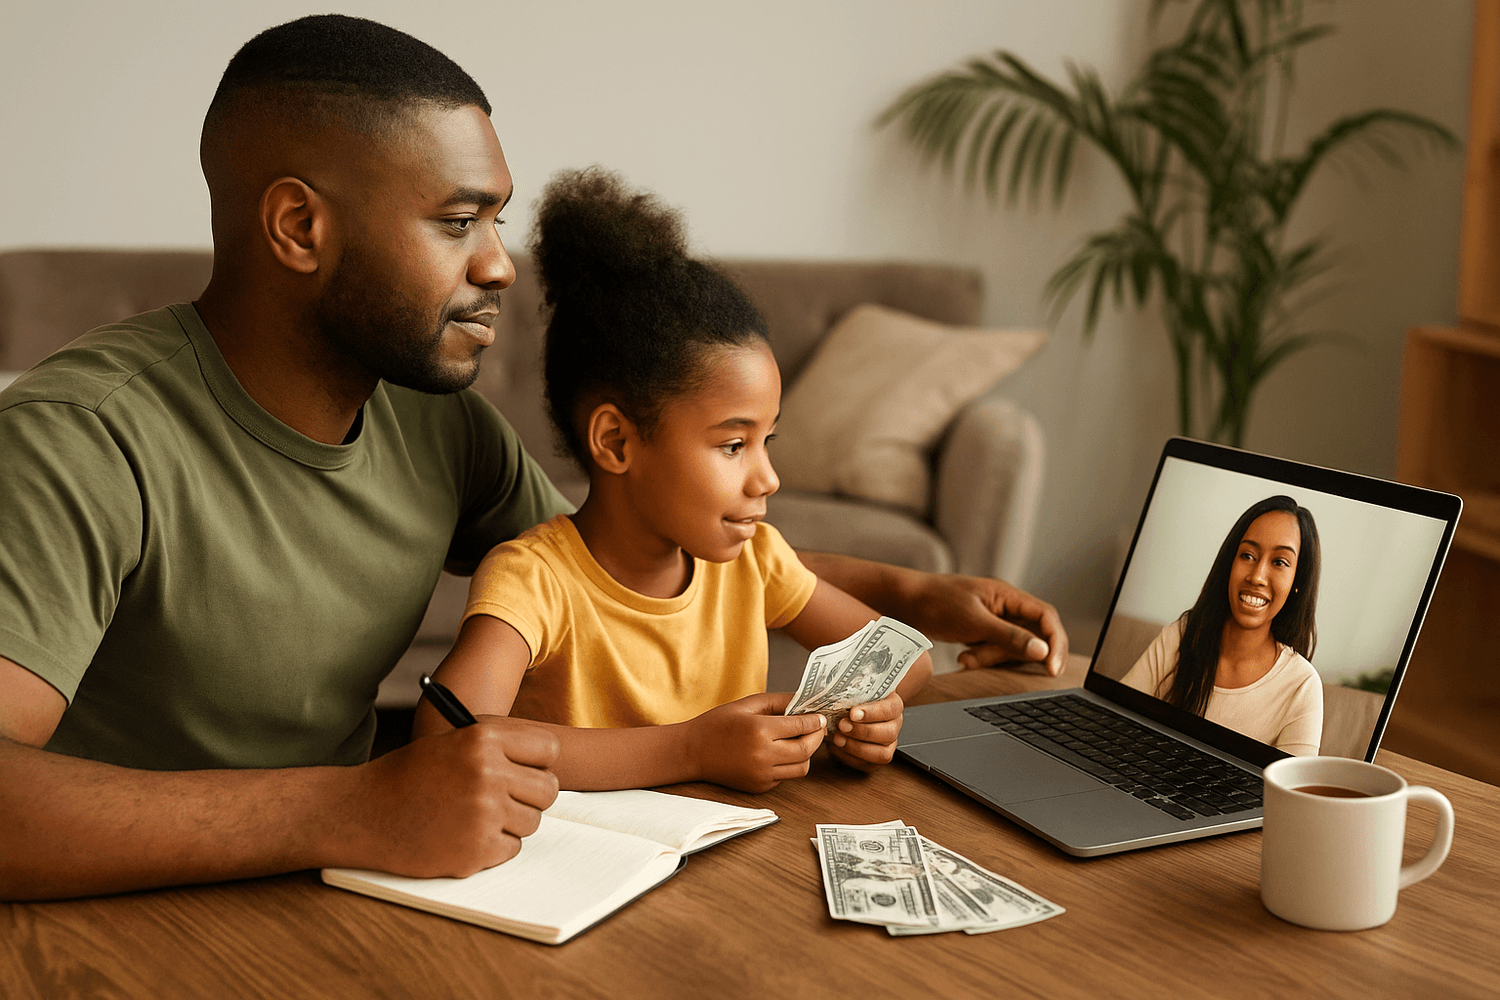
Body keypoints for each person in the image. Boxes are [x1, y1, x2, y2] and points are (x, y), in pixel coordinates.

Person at [0, 15, 1065, 902]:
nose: (501, 267)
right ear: (297, 226)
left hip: (359, 879)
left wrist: (915, 593)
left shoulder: (437, 422)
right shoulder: (79, 438)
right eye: (459, 220)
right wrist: (357, 798)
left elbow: (613, 558)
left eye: (498, 220)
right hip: (127, 921)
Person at [414, 169, 929, 792]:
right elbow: (447, 740)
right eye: (734, 445)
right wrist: (691, 750)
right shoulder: (534, 581)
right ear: (617, 442)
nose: (767, 477)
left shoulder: (755, 563)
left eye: (768, 441)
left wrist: (865, 721)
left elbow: (910, 664)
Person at [1120, 495, 1324, 755]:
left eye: (1279, 562)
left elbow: (1289, 794)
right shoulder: (1182, 635)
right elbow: (1116, 717)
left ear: (1298, 581)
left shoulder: (1302, 685)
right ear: (1230, 563)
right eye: (1248, 555)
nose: (1257, 576)